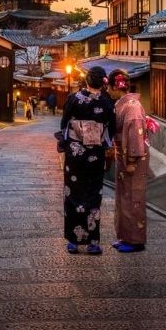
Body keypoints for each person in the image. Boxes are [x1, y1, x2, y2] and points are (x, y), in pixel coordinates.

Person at [56, 66, 115, 255]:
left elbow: (64, 124)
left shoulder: (74, 99)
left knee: (73, 194)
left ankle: (73, 241)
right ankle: (93, 242)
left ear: (87, 81)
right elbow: (111, 130)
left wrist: (68, 141)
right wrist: (102, 143)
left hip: (75, 154)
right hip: (95, 155)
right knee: (93, 196)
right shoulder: (107, 103)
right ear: (103, 82)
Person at [107, 68, 149, 253]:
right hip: (122, 154)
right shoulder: (122, 104)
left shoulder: (131, 107)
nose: (107, 91)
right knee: (123, 196)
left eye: (109, 87)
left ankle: (135, 240)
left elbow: (135, 135)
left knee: (134, 197)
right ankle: (124, 235)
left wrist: (132, 160)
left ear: (116, 86)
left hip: (133, 157)